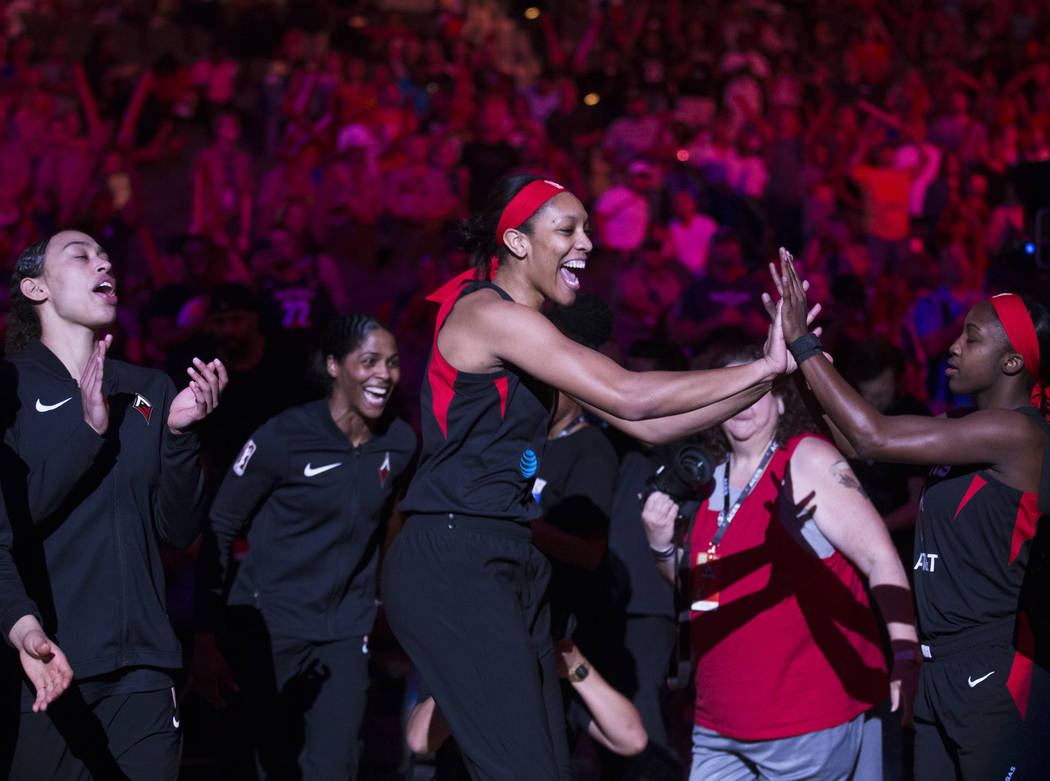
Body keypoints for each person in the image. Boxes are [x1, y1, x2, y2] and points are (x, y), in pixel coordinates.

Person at [380, 173, 809, 781]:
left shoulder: (534, 338)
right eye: (568, 229)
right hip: (455, 554)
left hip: (503, 554)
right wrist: (760, 365)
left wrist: (770, 379)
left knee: (546, 763)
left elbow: (650, 428)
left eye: (587, 228)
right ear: (517, 242)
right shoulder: (487, 313)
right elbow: (631, 396)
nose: (587, 242)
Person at [772, 249, 1050, 780]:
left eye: (971, 338)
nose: (952, 345)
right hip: (938, 665)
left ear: (1012, 362)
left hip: (994, 670)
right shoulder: (963, 425)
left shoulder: (1019, 432)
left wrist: (805, 345)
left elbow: (871, 432)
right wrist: (803, 368)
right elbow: (853, 444)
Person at [0, 231, 227, 780]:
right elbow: (13, 525)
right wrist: (88, 432)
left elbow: (178, 529)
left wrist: (180, 437)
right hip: (54, 662)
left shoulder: (147, 387)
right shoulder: (9, 387)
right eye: (80, 255)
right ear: (36, 287)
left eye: (105, 254)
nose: (104, 261)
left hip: (147, 667)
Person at [641, 342, 919, 781]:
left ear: (780, 397)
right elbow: (702, 591)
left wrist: (905, 651)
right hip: (719, 722)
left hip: (804, 717)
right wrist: (662, 547)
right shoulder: (711, 480)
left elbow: (879, 555)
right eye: (730, 392)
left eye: (755, 390)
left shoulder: (806, 459)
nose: (742, 405)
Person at [193, 314, 416, 780]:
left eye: (392, 363)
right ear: (334, 366)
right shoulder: (283, 437)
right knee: (261, 762)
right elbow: (221, 521)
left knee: (334, 765)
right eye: (370, 360)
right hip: (269, 628)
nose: (384, 374)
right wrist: (206, 636)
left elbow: (403, 523)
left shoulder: (399, 443)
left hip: (343, 631)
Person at [406, 636, 649, 780]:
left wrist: (577, 667)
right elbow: (420, 740)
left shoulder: (552, 677)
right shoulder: (460, 649)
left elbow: (631, 739)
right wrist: (477, 668)